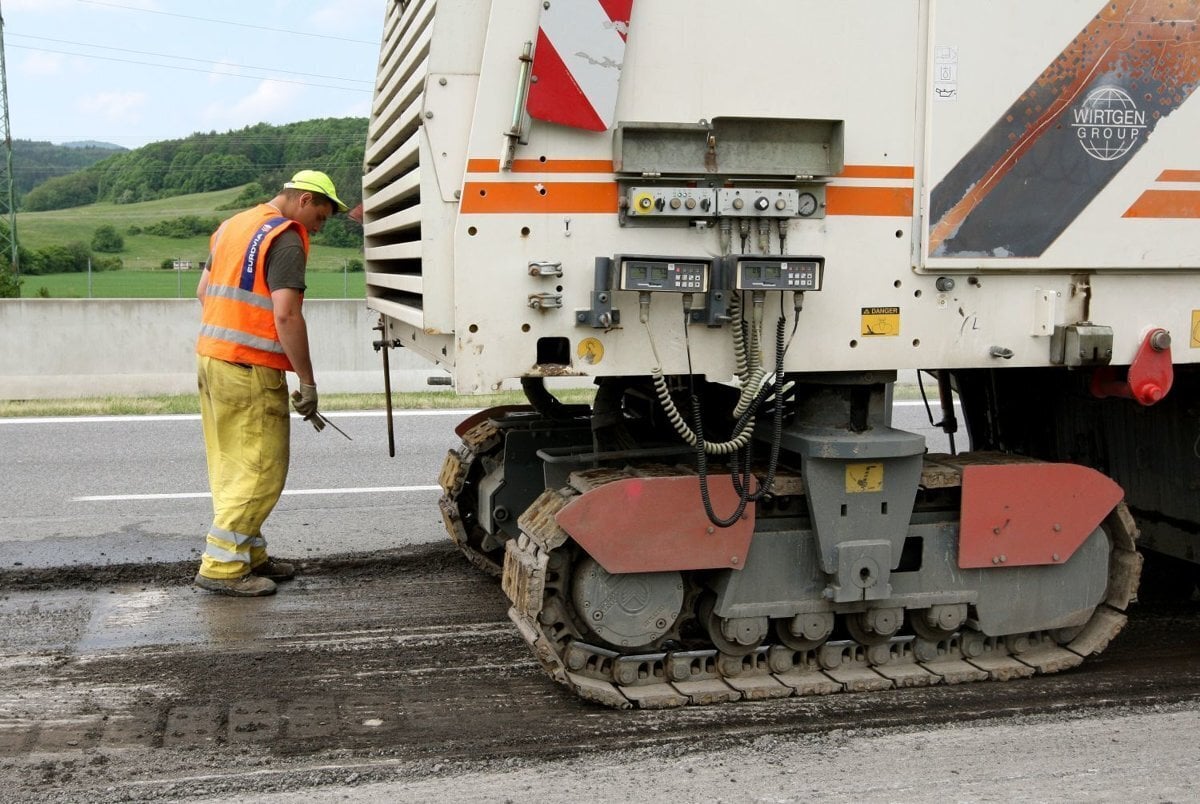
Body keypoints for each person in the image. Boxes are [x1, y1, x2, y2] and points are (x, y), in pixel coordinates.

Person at [192, 169, 348, 596]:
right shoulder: (286, 237)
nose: (320, 224)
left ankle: (250, 555)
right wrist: (308, 381)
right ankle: (222, 568)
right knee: (262, 470)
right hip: (248, 368)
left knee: (232, 466)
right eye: (322, 213)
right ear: (304, 200)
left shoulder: (233, 226)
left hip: (212, 359)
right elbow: (286, 315)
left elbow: (203, 291)